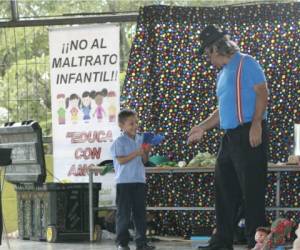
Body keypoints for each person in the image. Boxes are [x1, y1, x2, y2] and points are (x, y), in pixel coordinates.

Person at [188, 24, 269, 250]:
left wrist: (256, 125)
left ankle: (258, 243)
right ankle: (221, 242)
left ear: (216, 48)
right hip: (230, 137)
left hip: (249, 132)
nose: (207, 58)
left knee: (252, 190)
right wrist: (203, 127)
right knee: (224, 189)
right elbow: (222, 110)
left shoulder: (247, 62)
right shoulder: (222, 75)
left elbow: (263, 93)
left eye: (207, 53)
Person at [110, 109, 155, 250]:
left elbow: (144, 160)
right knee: (123, 213)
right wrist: (136, 152)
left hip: (139, 180)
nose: (135, 126)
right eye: (131, 123)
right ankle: (122, 243)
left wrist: (146, 152)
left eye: (136, 122)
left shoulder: (141, 139)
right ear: (121, 126)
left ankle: (141, 243)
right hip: (124, 182)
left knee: (140, 213)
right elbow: (121, 160)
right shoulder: (119, 142)